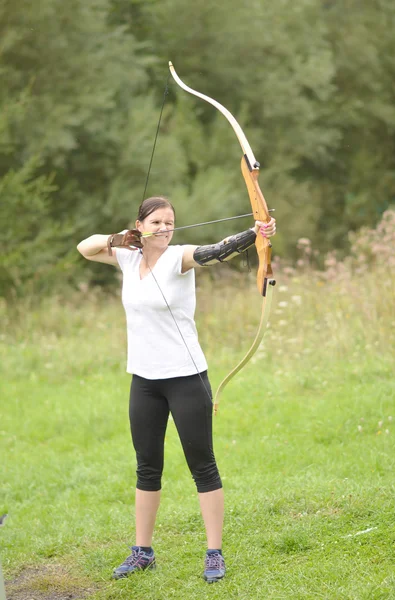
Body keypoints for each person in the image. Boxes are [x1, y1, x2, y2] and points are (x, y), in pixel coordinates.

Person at [77, 196, 276, 583]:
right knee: (147, 467)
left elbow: (216, 252)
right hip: (145, 381)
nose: (166, 228)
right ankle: (143, 552)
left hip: (187, 378)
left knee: (203, 466)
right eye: (157, 222)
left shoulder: (179, 257)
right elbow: (85, 248)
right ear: (140, 224)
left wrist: (256, 233)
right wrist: (119, 239)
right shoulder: (127, 258)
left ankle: (214, 553)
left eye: (170, 222)